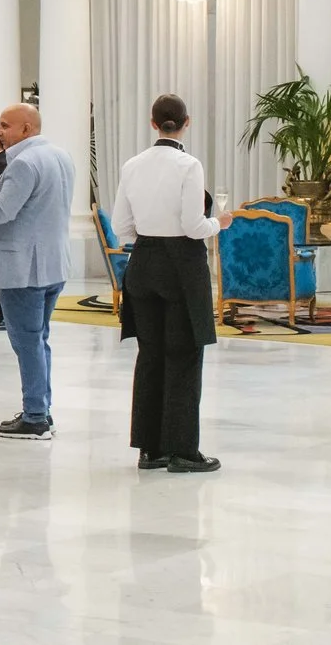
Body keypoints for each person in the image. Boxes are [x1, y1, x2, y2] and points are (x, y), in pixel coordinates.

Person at [114, 93, 224, 474]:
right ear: (186, 122)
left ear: (153, 123)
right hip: (181, 266)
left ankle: (150, 449)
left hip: (143, 263)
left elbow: (121, 226)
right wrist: (219, 223)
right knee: (184, 354)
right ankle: (182, 450)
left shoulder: (132, 165)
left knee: (150, 355)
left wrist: (150, 234)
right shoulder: (188, 165)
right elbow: (194, 226)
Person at [0, 102, 75, 440]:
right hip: (52, 264)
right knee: (38, 339)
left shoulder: (24, 163)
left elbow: (1, 212)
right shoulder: (60, 155)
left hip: (24, 268)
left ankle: (35, 417)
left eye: (5, 125)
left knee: (27, 341)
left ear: (26, 128)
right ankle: (41, 408)